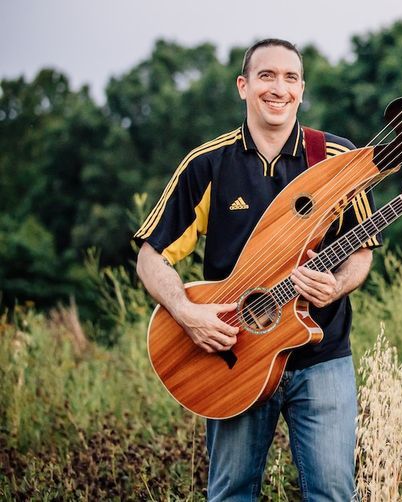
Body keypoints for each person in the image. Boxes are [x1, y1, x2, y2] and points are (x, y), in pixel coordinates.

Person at [134, 38, 378, 501]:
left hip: (321, 357)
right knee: (230, 494)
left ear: (301, 90)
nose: (278, 88)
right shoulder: (206, 164)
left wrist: (335, 285)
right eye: (266, 76)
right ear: (243, 86)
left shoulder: (337, 158)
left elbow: (361, 253)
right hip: (234, 356)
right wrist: (186, 313)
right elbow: (151, 256)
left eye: (290, 78)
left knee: (333, 493)